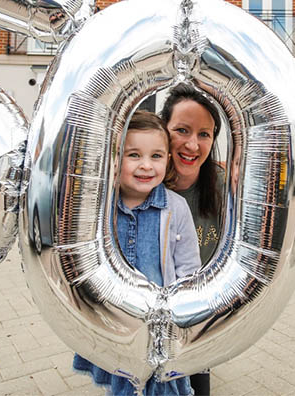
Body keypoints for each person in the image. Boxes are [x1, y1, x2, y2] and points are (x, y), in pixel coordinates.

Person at [73, 110, 200, 396]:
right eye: (134, 155)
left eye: (156, 156)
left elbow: (190, 269)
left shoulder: (176, 208)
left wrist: (180, 318)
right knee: (123, 382)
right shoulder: (101, 207)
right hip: (118, 325)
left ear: (168, 159)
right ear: (115, 158)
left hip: (162, 329)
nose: (146, 166)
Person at [160, 84, 226, 396]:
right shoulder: (141, 186)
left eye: (204, 134)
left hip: (198, 321)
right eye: (182, 130)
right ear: (164, 130)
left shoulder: (225, 190)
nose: (192, 144)